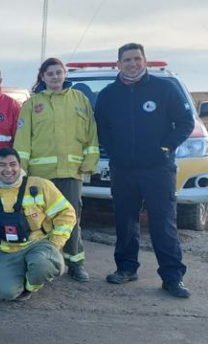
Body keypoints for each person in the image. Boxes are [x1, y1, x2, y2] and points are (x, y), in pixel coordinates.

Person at [95, 43, 194, 298]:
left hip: (158, 169)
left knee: (163, 223)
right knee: (125, 222)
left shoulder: (164, 88)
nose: (132, 63)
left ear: (145, 60)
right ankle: (126, 268)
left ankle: (172, 277)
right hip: (123, 169)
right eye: (127, 59)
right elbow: (102, 128)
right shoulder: (108, 94)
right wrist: (113, 151)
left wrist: (166, 147)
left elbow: (185, 122)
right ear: (118, 64)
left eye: (137, 58)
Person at [14, 58, 99, 282]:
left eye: (58, 72)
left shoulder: (80, 99)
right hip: (40, 175)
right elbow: (22, 140)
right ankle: (42, 259)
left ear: (64, 74)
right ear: (42, 76)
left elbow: (91, 134)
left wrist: (90, 161)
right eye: (50, 73)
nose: (54, 77)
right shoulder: (32, 104)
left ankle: (76, 262)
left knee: (71, 218)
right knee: (38, 220)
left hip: (71, 172)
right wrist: (20, 171)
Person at [0, 148, 76, 301]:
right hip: (6, 251)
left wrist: (55, 243)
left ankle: (30, 284)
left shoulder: (41, 186)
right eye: (2, 165)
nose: (8, 169)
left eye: (13, 164)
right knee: (5, 293)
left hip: (37, 245)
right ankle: (1, 271)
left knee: (43, 265)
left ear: (20, 166)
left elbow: (67, 214)